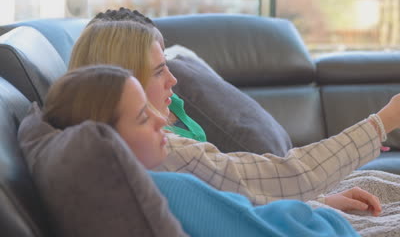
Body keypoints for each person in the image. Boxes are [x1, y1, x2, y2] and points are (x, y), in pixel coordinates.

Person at [67, 8, 400, 216]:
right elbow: (287, 175)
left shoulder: (133, 142)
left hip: (288, 205)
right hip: (290, 206)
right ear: (124, 83)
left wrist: (317, 202)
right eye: (160, 70)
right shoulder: (164, 150)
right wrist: (387, 120)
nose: (174, 80)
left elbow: (236, 196)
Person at [41, 64, 360, 237]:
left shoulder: (141, 184)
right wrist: (329, 218)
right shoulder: (167, 190)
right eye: (142, 116)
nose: (160, 119)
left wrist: (315, 204)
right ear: (106, 141)